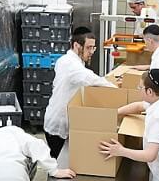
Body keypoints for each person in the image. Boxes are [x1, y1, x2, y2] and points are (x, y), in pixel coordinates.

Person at [44, 26, 114, 162]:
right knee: (57, 163)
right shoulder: (72, 65)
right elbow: (92, 79)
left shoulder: (66, 60)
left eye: (94, 47)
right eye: (89, 47)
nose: (92, 51)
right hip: (59, 123)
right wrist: (119, 90)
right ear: (76, 45)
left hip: (56, 116)